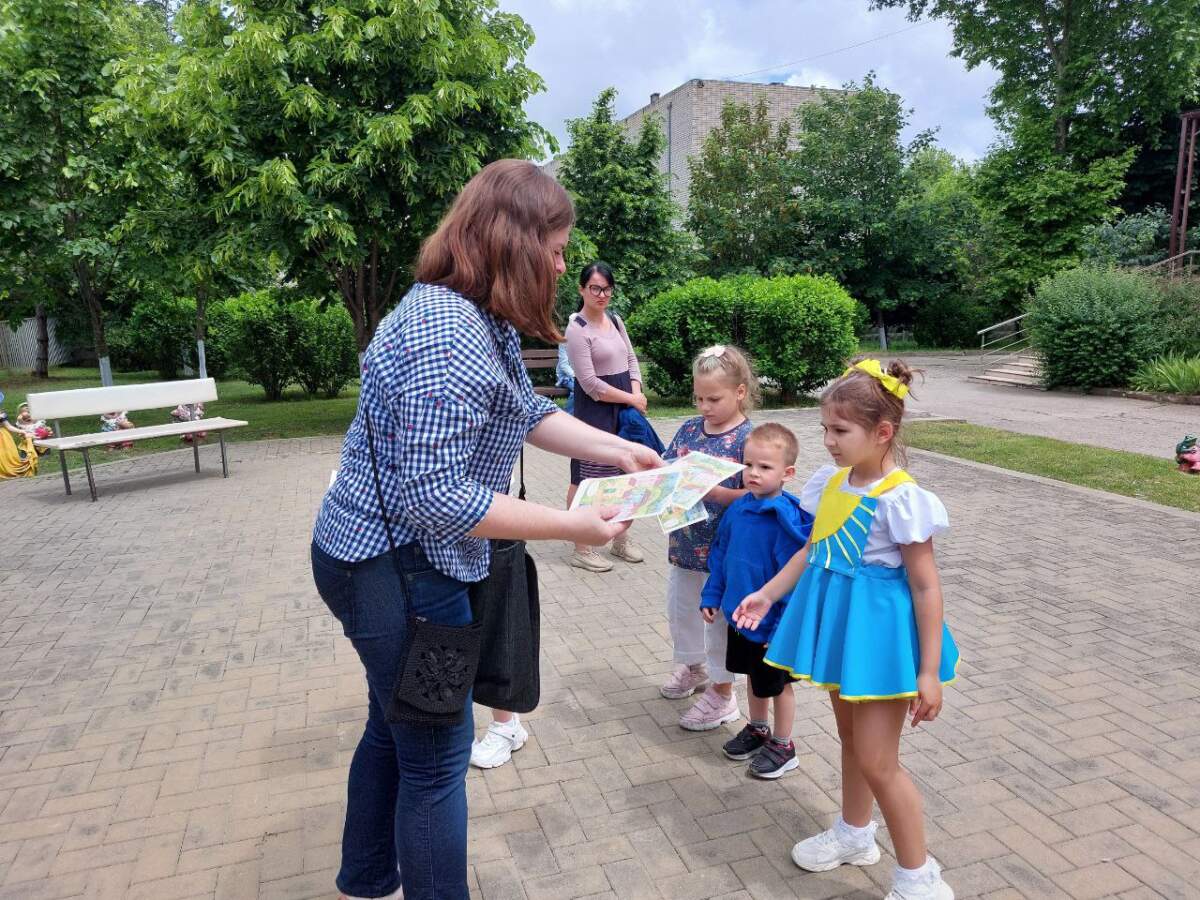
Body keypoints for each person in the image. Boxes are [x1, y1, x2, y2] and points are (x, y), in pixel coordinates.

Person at [310, 159, 662, 900]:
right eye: (556, 250)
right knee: (437, 760)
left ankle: (367, 875)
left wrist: (618, 448)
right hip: (398, 569)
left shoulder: (476, 316)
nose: (563, 267)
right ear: (514, 241)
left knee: (392, 724)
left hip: (390, 558)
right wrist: (572, 525)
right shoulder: (446, 333)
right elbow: (437, 497)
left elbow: (523, 409)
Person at [734, 359, 959, 900]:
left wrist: (928, 671)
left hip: (879, 643)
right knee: (853, 742)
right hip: (841, 635)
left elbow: (925, 587)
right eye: (825, 429)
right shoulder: (833, 481)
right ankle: (855, 834)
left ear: (882, 432)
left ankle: (920, 879)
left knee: (880, 762)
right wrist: (768, 593)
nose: (829, 442)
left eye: (840, 431)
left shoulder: (900, 498)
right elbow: (813, 550)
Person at [700, 423, 812, 779]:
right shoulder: (738, 509)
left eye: (765, 467)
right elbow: (721, 554)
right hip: (741, 618)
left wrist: (779, 629)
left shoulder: (786, 520)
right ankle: (758, 727)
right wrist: (712, 593)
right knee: (751, 676)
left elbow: (794, 582)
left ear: (787, 473)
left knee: (780, 685)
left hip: (772, 626)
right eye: (748, 465)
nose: (753, 473)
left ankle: (783, 744)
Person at [660, 345, 755, 732]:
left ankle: (723, 693)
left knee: (717, 623)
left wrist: (718, 494)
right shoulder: (688, 428)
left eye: (714, 399)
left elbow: (761, 495)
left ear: (740, 392)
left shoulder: (750, 438)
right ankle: (694, 667)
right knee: (681, 610)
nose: (704, 407)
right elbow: (667, 467)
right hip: (684, 544)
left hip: (724, 555)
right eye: (699, 398)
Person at [564, 262, 648, 573]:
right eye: (595, 288)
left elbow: (631, 360)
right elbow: (590, 384)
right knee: (587, 478)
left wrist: (636, 392)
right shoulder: (577, 329)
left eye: (607, 289)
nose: (601, 294)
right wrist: (631, 398)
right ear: (582, 289)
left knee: (624, 473)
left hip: (624, 408)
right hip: (595, 412)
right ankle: (582, 547)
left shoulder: (615, 320)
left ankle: (620, 539)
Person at [0, 396, 38, 479]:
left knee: (6, 455)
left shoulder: (1, 414)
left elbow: (9, 427)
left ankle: (6, 469)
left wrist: (23, 431)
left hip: (3, 437)